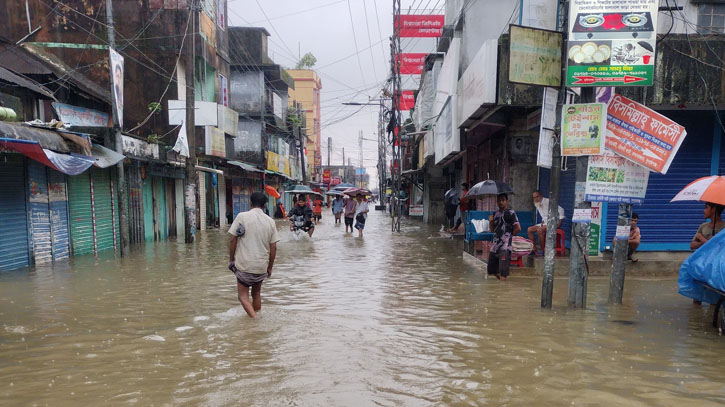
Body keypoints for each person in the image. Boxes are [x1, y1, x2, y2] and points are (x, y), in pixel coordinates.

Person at [227, 192, 280, 319]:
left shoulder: (242, 217)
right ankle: (256, 316)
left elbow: (232, 240)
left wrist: (231, 260)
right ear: (265, 205)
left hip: (245, 264)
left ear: (250, 203)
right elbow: (273, 247)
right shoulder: (270, 221)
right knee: (256, 293)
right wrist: (270, 267)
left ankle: (254, 319)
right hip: (261, 266)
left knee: (242, 296)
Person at [487, 193, 521, 281]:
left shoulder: (511, 213)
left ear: (507, 201)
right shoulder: (495, 214)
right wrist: (490, 221)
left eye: (502, 200)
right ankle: (500, 290)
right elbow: (492, 230)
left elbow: (518, 228)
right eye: (498, 201)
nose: (500, 202)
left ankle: (503, 288)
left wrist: (509, 236)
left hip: (505, 248)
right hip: (494, 247)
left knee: (503, 273)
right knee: (491, 270)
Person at [527, 190, 565, 255]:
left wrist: (559, 222)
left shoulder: (548, 201)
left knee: (540, 230)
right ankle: (535, 250)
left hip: (553, 223)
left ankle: (544, 251)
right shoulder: (537, 204)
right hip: (545, 223)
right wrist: (542, 221)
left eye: (537, 197)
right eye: (534, 197)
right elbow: (544, 214)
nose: (536, 199)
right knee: (529, 229)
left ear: (541, 196)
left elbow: (561, 209)